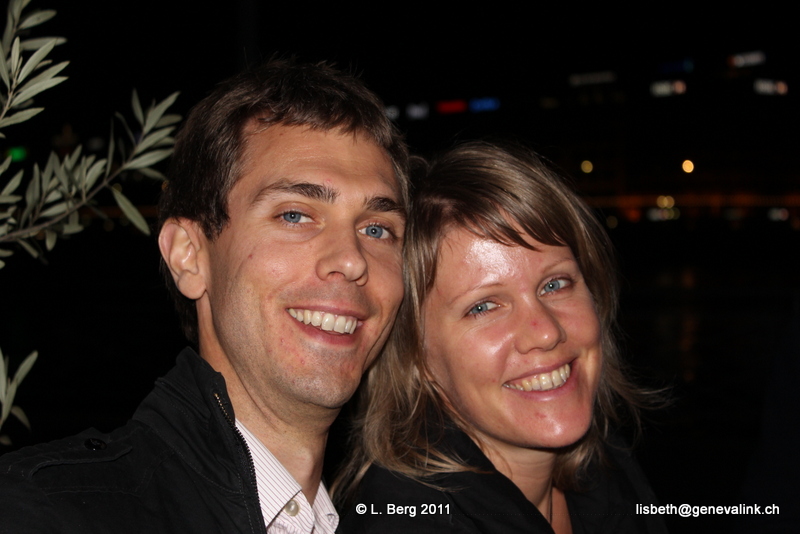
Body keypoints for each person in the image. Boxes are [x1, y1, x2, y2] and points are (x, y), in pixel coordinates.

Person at [0, 59, 409, 533]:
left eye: (377, 229)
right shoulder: (43, 513)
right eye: (295, 215)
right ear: (189, 257)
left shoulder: (391, 519)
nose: (352, 260)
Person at [335, 141, 668, 533]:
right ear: (416, 357)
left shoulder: (610, 471)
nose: (546, 331)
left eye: (555, 284)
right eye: (484, 307)